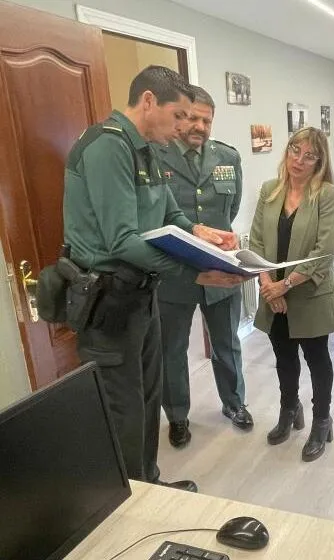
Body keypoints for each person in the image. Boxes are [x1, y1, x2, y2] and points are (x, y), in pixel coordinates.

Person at [62, 66, 243, 491]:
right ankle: (128, 498)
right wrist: (198, 271)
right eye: (178, 115)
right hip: (108, 299)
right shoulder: (108, 146)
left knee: (146, 397)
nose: (183, 126)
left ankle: (149, 483)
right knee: (123, 407)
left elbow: (168, 213)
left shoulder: (146, 149)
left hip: (142, 294)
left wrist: (198, 231)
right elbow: (122, 240)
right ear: (148, 101)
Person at [155, 85, 253, 448]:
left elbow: (231, 208)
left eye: (207, 120)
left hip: (221, 270)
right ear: (179, 117)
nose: (200, 126)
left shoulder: (227, 157)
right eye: (193, 118)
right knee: (172, 350)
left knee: (227, 343)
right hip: (173, 272)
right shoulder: (155, 154)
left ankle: (234, 403)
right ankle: (177, 416)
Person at [249, 127, 334, 462]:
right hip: (273, 294)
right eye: (294, 150)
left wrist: (284, 285)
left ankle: (321, 420)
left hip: (309, 294)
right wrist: (268, 286)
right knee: (284, 357)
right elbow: (256, 242)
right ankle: (289, 408)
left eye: (309, 155)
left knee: (317, 360)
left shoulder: (328, 195)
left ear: (320, 162)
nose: (299, 160)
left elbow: (324, 252)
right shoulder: (269, 190)